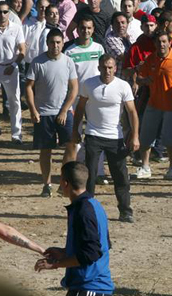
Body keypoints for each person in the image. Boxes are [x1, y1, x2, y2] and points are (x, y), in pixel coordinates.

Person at [35, 162, 114, 296]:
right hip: (82, 286)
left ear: (65, 183)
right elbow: (102, 244)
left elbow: (91, 253)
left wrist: (55, 264)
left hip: (92, 287)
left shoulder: (84, 211)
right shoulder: (92, 205)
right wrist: (64, 252)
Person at [72, 54, 140, 223]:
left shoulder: (123, 86)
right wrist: (76, 130)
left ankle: (125, 210)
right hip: (93, 134)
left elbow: (132, 112)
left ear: (115, 68)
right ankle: (86, 210)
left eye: (110, 67)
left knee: (120, 175)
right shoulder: (89, 84)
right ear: (99, 67)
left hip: (114, 137)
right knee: (90, 174)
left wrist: (135, 136)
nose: (107, 70)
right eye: (104, 67)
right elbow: (80, 108)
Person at [134, 31, 172, 180]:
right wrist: (144, 81)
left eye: (163, 42)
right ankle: (145, 167)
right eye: (158, 42)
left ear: (169, 43)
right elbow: (139, 76)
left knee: (169, 138)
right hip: (154, 103)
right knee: (146, 136)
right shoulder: (151, 59)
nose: (161, 45)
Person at [25, 28, 78, 197]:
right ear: (47, 43)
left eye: (58, 42)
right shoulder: (37, 62)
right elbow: (28, 87)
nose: (55, 46)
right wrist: (33, 110)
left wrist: (64, 110)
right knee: (46, 149)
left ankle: (64, 181)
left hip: (64, 112)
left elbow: (74, 88)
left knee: (71, 144)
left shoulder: (68, 62)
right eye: (52, 42)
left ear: (63, 43)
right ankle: (46, 184)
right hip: (44, 113)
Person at [64, 15, 109, 185]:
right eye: (83, 27)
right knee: (75, 134)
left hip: (95, 98)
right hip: (75, 99)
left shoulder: (99, 49)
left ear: (93, 29)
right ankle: (77, 171)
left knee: (96, 134)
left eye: (89, 28)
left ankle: (98, 170)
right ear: (77, 29)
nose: (86, 31)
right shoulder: (69, 51)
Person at [0, 1, 27, 144]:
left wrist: (14, 64)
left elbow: (22, 50)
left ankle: (16, 134)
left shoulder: (16, 28)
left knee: (14, 101)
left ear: (9, 13)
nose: (2, 15)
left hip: (11, 67)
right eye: (0, 12)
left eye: (5, 12)